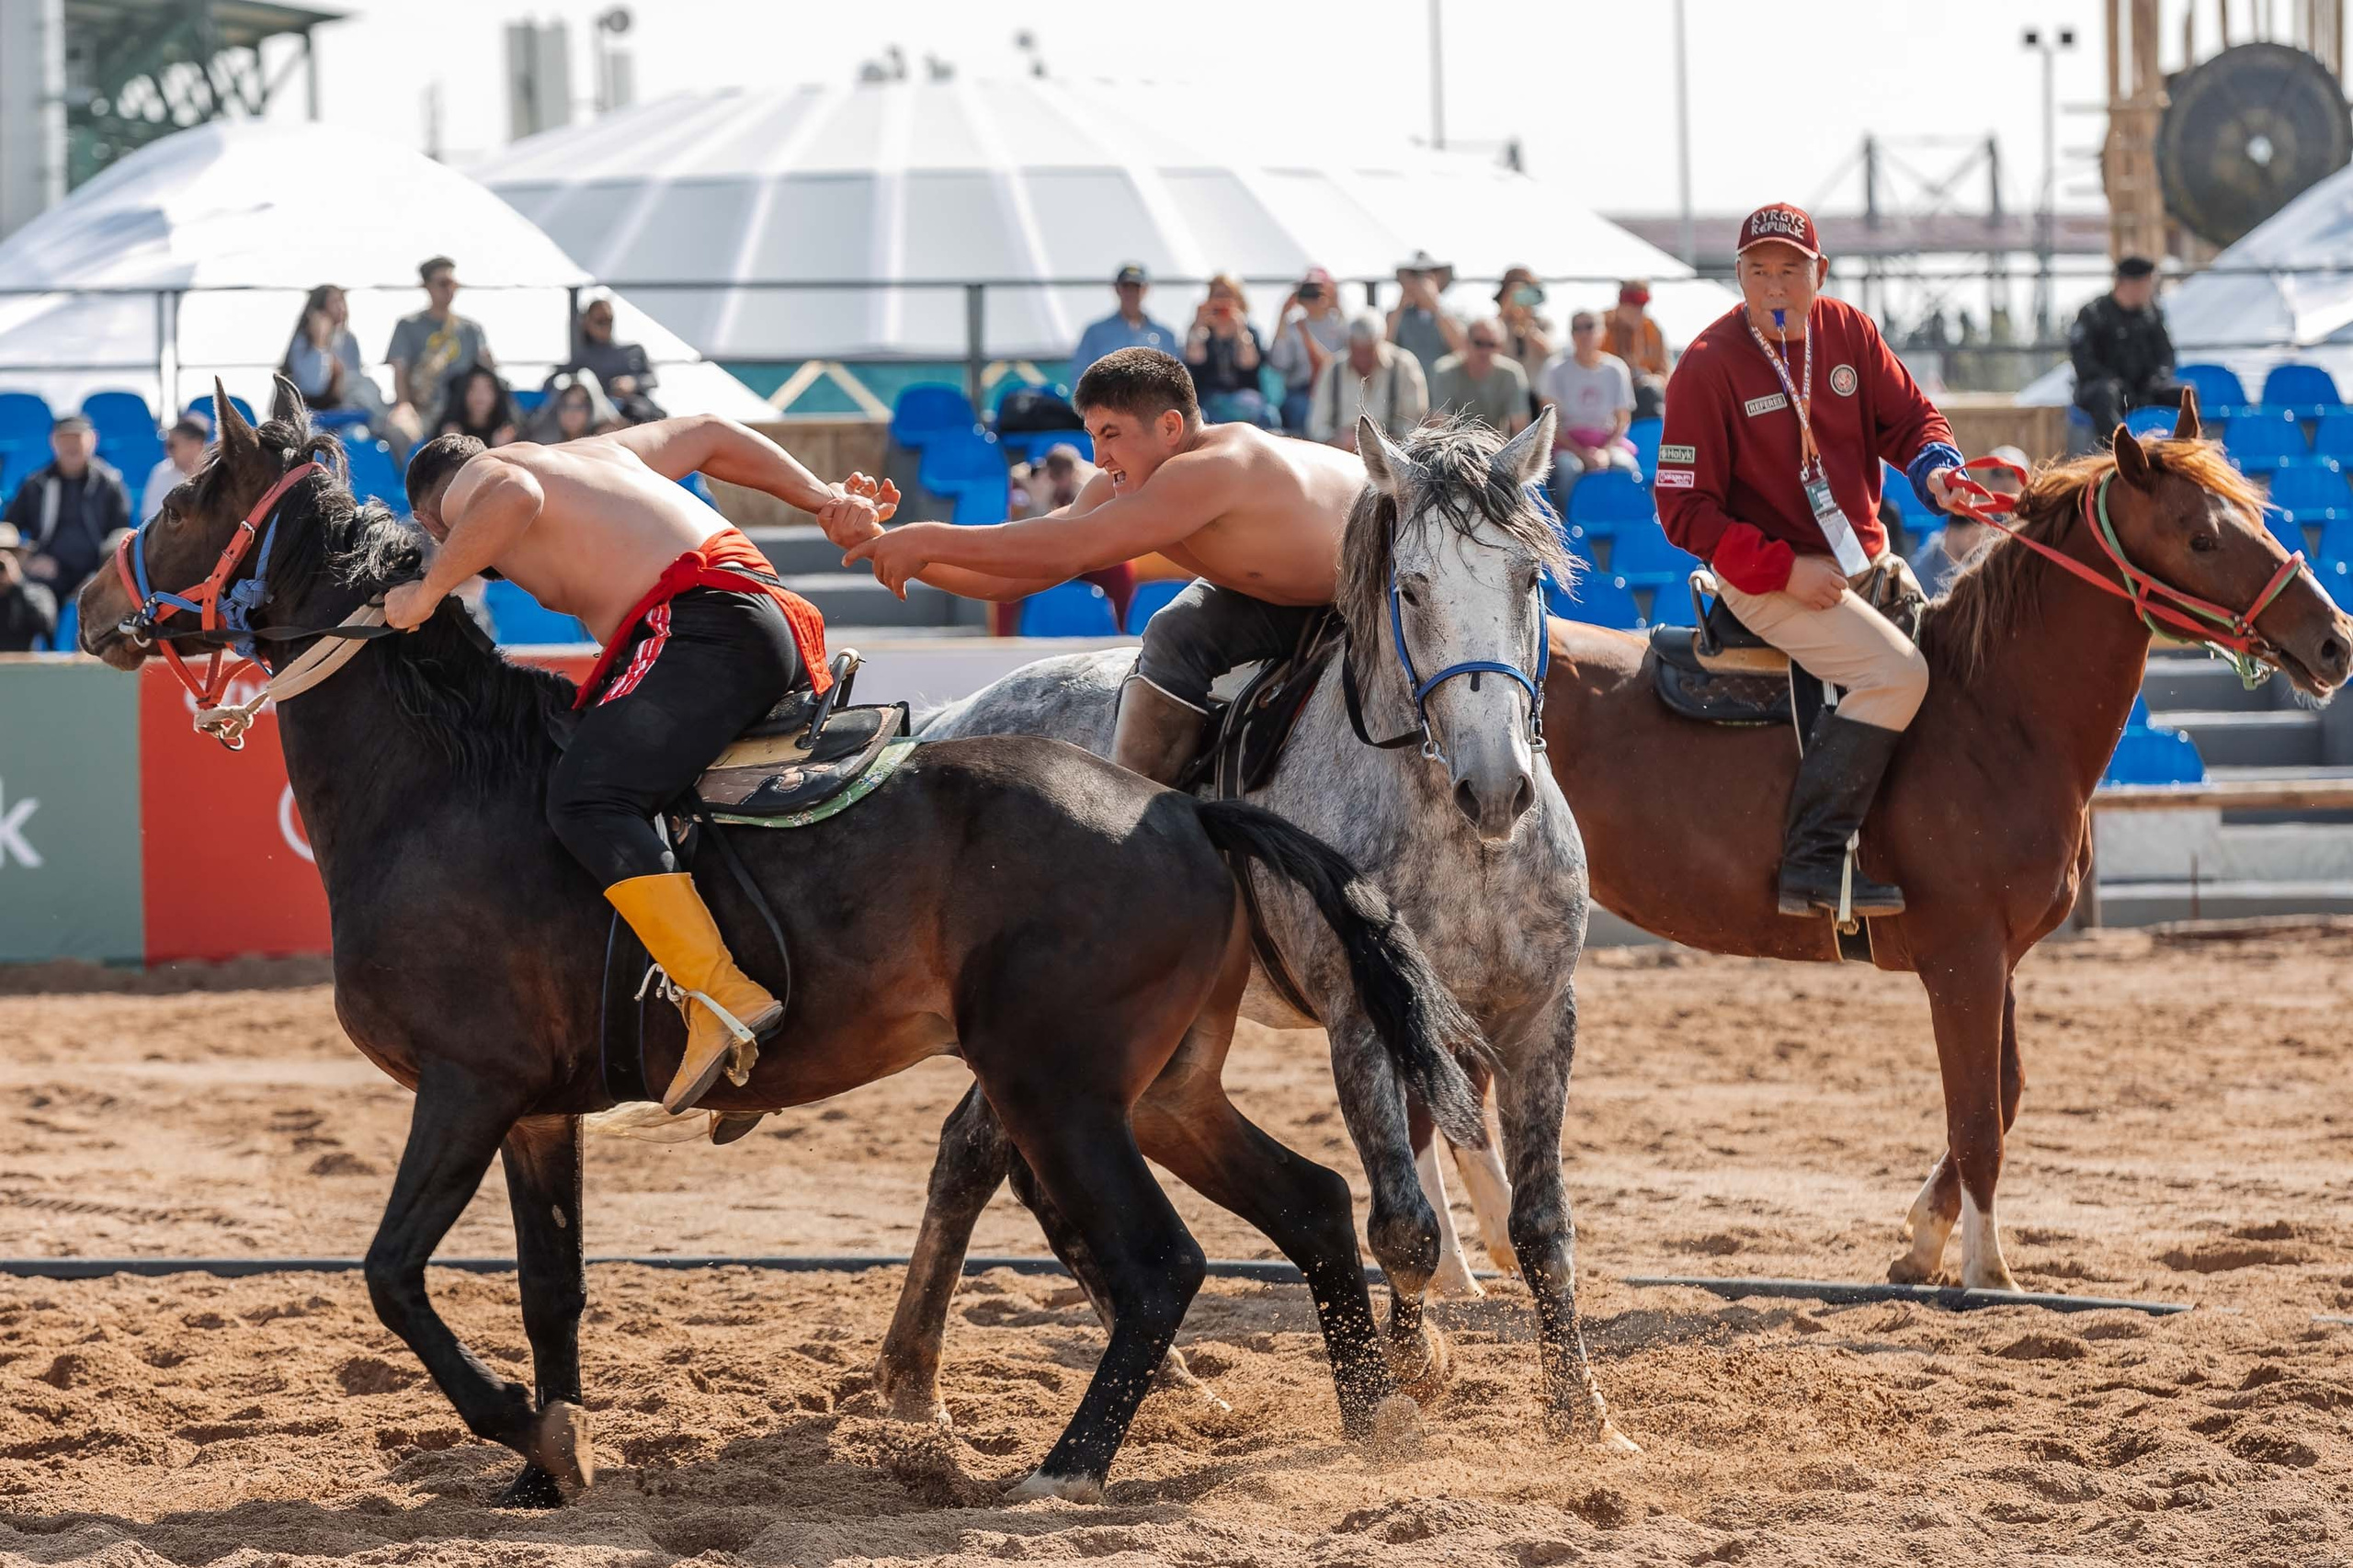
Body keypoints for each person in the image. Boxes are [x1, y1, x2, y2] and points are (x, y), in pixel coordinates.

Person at [389, 416, 892, 1114]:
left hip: (698, 624)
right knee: (672, 805)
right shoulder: (600, 452)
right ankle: (757, 1025)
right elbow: (714, 433)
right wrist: (823, 497)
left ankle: (721, 997)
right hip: (756, 615)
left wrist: (426, 589)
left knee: (588, 801)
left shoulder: (477, 478)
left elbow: (511, 496)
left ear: (430, 514)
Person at [834, 347, 1366, 784]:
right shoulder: (1126, 483)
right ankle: (1148, 825)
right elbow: (1014, 579)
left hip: (1390, 580)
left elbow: (1064, 547)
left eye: (1111, 434)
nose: (1100, 454)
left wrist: (923, 537)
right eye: (1092, 435)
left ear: (1171, 427)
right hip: (1291, 599)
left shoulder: (1215, 466)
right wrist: (897, 550)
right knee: (1177, 631)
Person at [1654, 203, 1964, 920]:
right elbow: (1682, 512)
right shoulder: (1705, 366)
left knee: (1953, 663)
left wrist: (1937, 470)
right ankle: (1815, 860)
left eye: (1790, 270)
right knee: (1898, 674)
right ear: (1737, 278)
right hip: (1769, 580)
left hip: (1862, 560)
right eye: (1758, 271)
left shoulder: (1849, 331)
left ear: (1818, 274)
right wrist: (1784, 569)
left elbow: (1915, 420)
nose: (1774, 286)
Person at [993, 442, 1137, 634]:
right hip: (1041, 558)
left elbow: (1102, 529)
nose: (1059, 482)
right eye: (1055, 475)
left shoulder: (1093, 480)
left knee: (1121, 571)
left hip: (1085, 557)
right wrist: (1039, 500)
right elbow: (1018, 527)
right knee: (1005, 578)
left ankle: (1123, 631)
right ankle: (1003, 639)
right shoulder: (1026, 481)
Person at [1, 413, 132, 601]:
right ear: (53, 441)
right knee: (25, 600)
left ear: (93, 440)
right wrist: (28, 561)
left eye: (77, 437)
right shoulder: (36, 484)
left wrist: (101, 573)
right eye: (64, 438)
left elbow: (121, 534)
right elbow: (9, 528)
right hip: (47, 572)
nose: (71, 445)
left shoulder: (110, 483)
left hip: (98, 571)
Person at [2070, 256, 2182, 442]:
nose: (2150, 290)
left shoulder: (2151, 314)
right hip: (2105, 387)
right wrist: (2114, 381)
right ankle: (2118, 451)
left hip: (2144, 388)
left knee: (2185, 394)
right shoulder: (2094, 314)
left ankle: (2188, 453)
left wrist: (2158, 377)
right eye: (2147, 284)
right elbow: (2083, 362)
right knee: (2105, 394)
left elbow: (2166, 355)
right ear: (2129, 284)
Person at [1538, 312, 1639, 505]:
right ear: (1572, 334)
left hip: (1607, 443)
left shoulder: (1616, 369)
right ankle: (1564, 524)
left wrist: (1605, 452)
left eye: (1590, 326)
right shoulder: (1555, 369)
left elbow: (1623, 420)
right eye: (1578, 328)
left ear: (1602, 332)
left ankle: (1623, 523)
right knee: (1568, 469)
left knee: (1627, 467)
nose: (1584, 333)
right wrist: (1581, 453)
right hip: (1567, 445)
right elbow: (1550, 424)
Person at [387, 256, 493, 439]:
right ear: (426, 286)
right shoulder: (408, 326)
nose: (450, 289)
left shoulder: (470, 329)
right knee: (398, 433)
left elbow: (487, 371)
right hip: (424, 411)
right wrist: (405, 407)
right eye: (443, 283)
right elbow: (400, 371)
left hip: (463, 412)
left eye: (454, 283)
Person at [1910, 444, 2025, 597]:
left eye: (2011, 474)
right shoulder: (1973, 520)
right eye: (1998, 474)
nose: (2005, 481)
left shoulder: (2033, 527)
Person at [1307, 313, 1428, 449]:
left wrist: (1383, 442)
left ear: (1380, 342)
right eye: (1357, 350)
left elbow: (1415, 422)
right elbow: (1317, 425)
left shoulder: (1404, 366)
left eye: (1368, 351)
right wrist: (1336, 439)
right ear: (1349, 344)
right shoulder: (1333, 368)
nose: (1362, 358)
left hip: (1393, 454)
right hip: (1341, 454)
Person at [280, 285, 388, 424]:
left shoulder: (348, 339)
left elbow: (353, 380)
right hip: (310, 414)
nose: (341, 307)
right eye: (334, 302)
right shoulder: (303, 342)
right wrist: (319, 344)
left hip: (344, 412)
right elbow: (313, 386)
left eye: (341, 301)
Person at [1182, 273, 1275, 428]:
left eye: (1228, 296)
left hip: (1245, 395)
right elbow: (1194, 359)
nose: (1223, 301)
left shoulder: (1250, 332)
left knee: (1267, 415)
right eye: (1218, 296)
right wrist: (1199, 323)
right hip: (1209, 397)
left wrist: (1240, 330)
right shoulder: (1201, 332)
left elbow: (1249, 363)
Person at [1267, 266, 1347, 434]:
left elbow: (1347, 359)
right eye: (1308, 291)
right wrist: (1282, 315)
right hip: (1300, 391)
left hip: (1336, 390)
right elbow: (1279, 363)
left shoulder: (1340, 325)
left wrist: (1337, 304)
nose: (1314, 297)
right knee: (1304, 411)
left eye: (1319, 290)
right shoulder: (1293, 327)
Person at [563, 293, 664, 424]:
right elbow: (555, 383)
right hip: (602, 418)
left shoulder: (634, 350)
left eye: (609, 320)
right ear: (587, 323)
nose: (605, 326)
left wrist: (633, 383)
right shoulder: (582, 359)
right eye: (600, 321)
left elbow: (652, 380)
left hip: (638, 411)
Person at [1070, 263, 1182, 380]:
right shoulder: (1094, 333)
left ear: (1145, 289)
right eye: (1126, 286)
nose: (1131, 293)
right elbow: (1079, 377)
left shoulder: (1165, 336)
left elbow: (1176, 380)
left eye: (1136, 287)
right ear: (1116, 288)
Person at [1428, 317, 1530, 435]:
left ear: (1501, 347)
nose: (1485, 351)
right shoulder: (1445, 371)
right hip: (1453, 445)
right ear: (1466, 342)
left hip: (1495, 446)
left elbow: (1520, 426)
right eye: (1479, 343)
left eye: (1491, 344)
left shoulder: (1512, 373)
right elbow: (1439, 424)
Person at [1387, 251, 1464, 380]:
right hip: (1407, 388)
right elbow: (1383, 347)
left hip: (1442, 389)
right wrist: (1400, 306)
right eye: (1415, 275)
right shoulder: (1396, 316)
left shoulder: (1452, 316)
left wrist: (1435, 306)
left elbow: (1462, 348)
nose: (1421, 282)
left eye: (1429, 274)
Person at [1602, 280, 1672, 421]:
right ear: (1621, 304)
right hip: (1609, 401)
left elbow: (1664, 373)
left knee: (1651, 394)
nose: (1638, 311)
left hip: (1645, 398)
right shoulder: (1602, 326)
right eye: (1632, 306)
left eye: (1641, 306)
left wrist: (1651, 379)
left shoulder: (1651, 329)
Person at [142, 414, 210, 523]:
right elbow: (149, 520)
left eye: (172, 446)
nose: (167, 452)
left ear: (196, 446)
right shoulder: (161, 472)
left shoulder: (215, 474)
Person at [0, 524, 57, 653]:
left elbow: (46, 625)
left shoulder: (38, 592)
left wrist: (17, 584)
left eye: (10, 554)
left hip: (22, 666)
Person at [528, 369, 623, 445]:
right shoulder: (545, 449)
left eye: (579, 407)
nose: (571, 413)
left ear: (591, 409)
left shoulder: (605, 445)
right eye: (565, 406)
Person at [438, 363, 518, 447]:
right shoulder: (449, 430)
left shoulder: (506, 431)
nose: (480, 395)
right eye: (473, 388)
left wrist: (502, 448)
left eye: (487, 389)